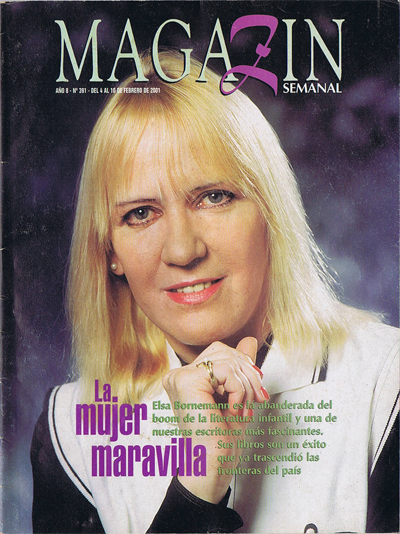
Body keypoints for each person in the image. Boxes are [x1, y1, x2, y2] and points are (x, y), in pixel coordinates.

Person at [31, 51, 399, 534]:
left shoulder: (384, 383)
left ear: (270, 210)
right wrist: (195, 488)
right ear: (110, 251)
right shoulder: (70, 434)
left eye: (213, 197)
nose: (183, 250)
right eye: (140, 213)